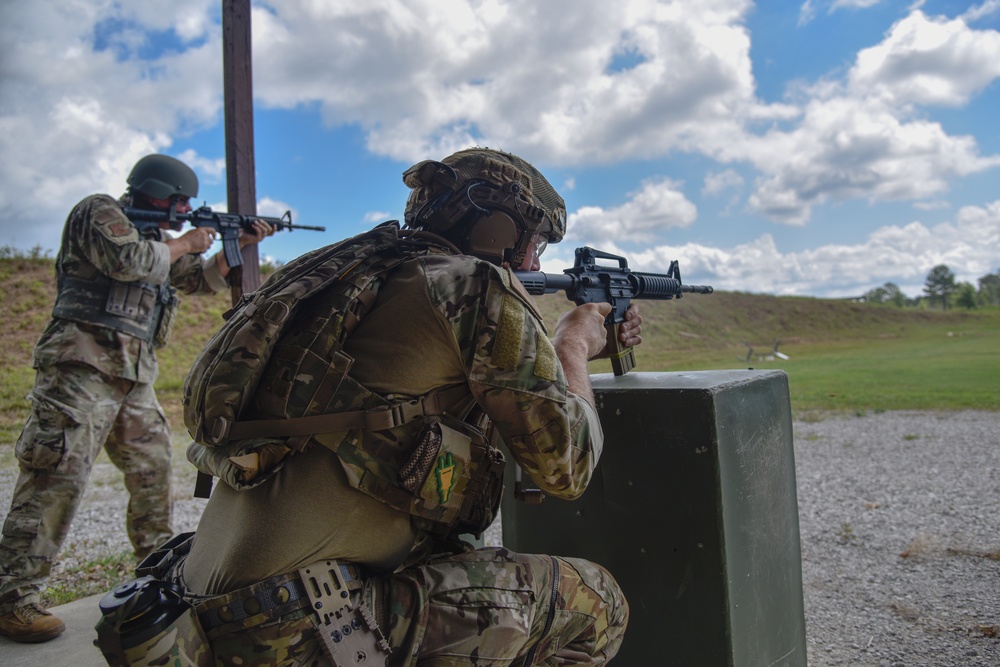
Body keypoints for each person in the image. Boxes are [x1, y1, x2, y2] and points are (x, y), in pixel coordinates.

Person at [165, 148, 640, 665]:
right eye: (536, 243)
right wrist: (572, 346)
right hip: (288, 628)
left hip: (199, 614)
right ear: (499, 230)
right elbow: (566, 466)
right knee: (597, 602)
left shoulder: (352, 278)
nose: (536, 263)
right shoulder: (472, 286)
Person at [0, 154, 274, 643]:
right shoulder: (101, 214)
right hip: (79, 369)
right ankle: (14, 599)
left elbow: (198, 281)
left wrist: (236, 247)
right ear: (153, 190)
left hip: (134, 378)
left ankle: (155, 584)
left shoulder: (158, 241)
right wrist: (186, 241)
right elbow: (131, 262)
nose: (186, 208)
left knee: (153, 476)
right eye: (179, 200)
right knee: (55, 479)